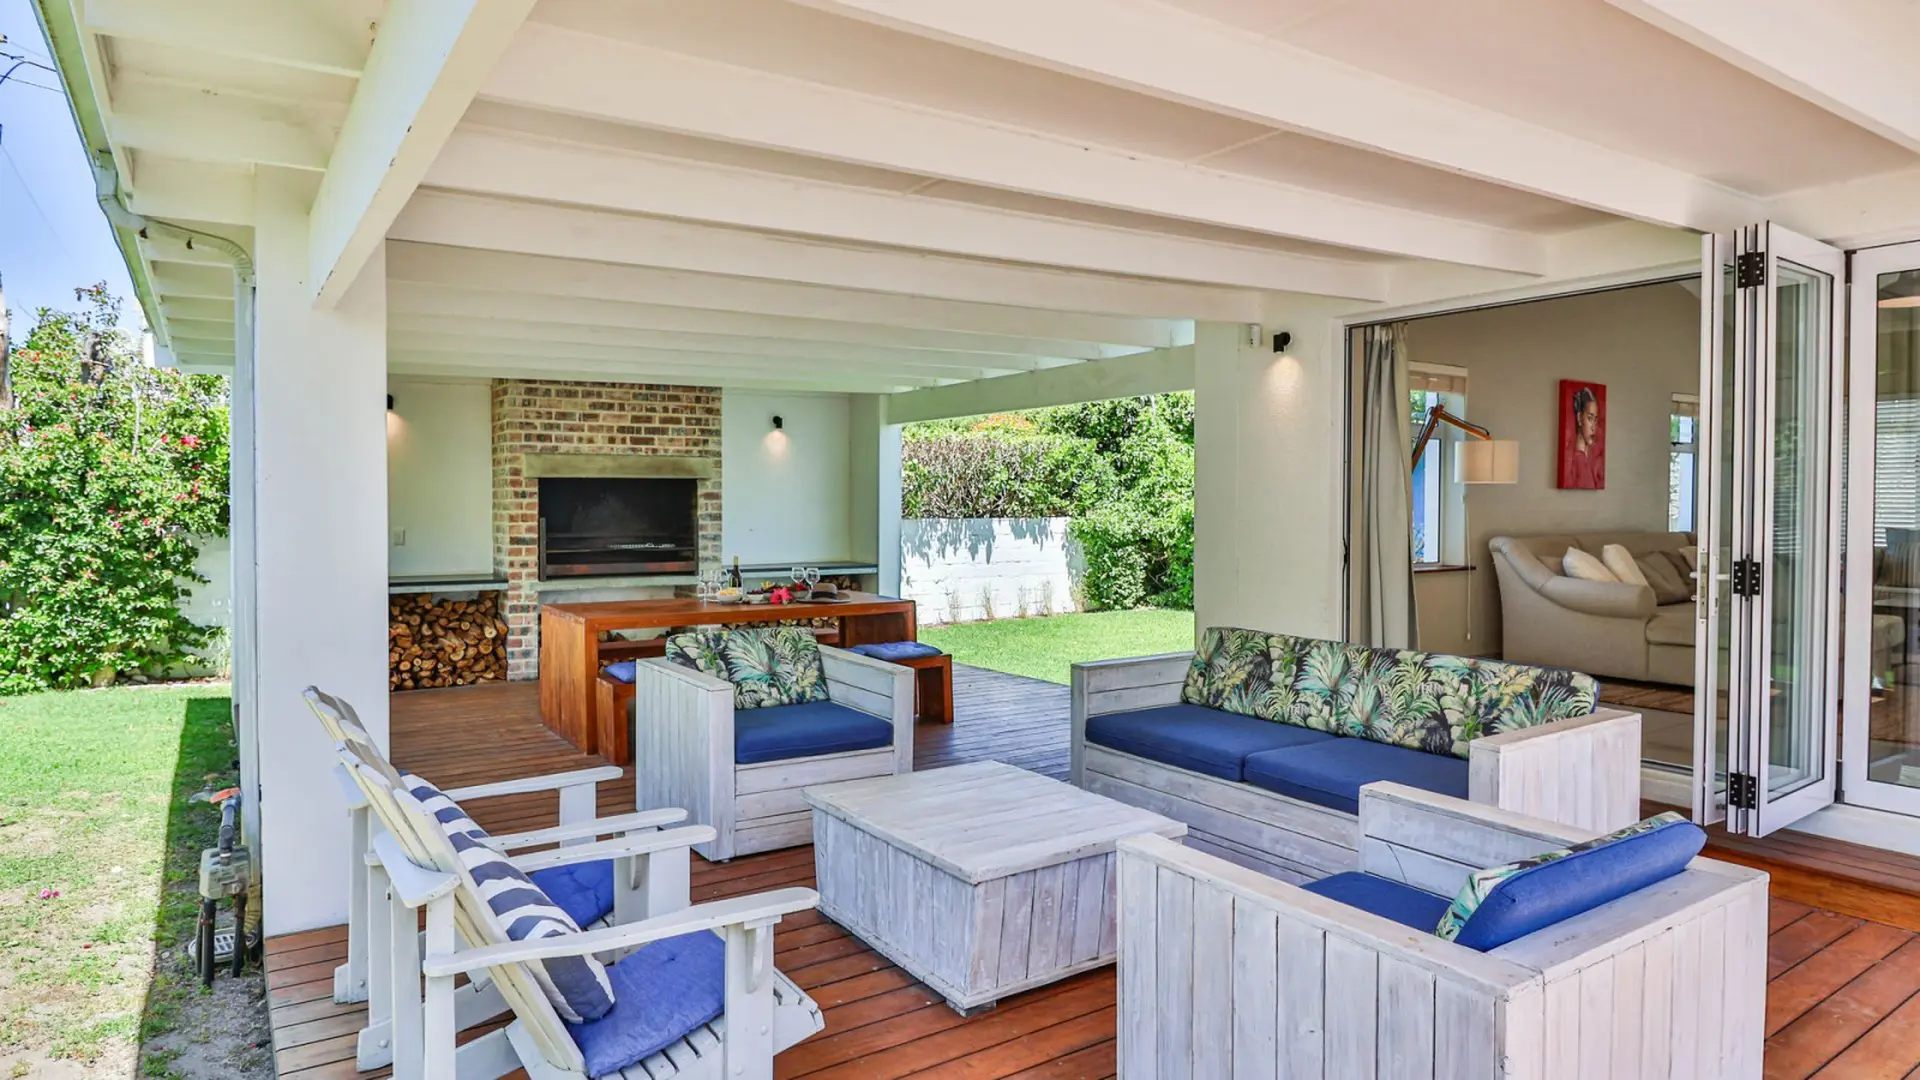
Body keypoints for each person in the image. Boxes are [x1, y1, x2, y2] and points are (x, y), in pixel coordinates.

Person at [1564, 386, 1603, 488]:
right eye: (1590, 418)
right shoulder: (1573, 461)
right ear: (1579, 418)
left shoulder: (1593, 460)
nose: (1593, 427)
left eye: (1595, 420)